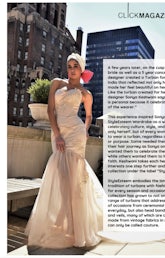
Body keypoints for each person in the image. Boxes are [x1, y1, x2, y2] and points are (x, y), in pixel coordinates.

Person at [25, 53, 104, 249]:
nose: (72, 69)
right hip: (59, 133)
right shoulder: (57, 84)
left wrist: (85, 130)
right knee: (60, 175)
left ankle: (74, 224)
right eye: (69, 65)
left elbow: (89, 115)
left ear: (81, 68)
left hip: (76, 135)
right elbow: (51, 111)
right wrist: (57, 134)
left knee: (74, 179)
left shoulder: (86, 93)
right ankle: (63, 219)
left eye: (76, 65)